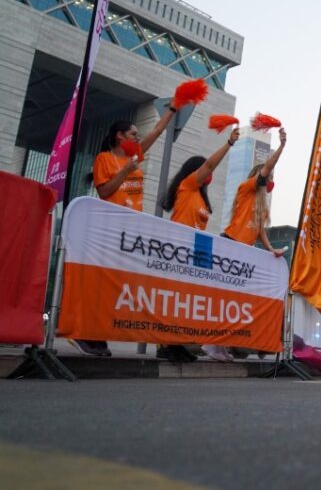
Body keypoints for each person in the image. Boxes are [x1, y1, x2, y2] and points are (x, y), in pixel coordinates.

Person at [72, 100, 184, 358]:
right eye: (133, 134)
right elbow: (104, 191)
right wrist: (125, 171)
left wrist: (174, 108)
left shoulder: (134, 155)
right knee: (102, 283)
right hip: (109, 228)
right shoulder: (105, 159)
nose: (138, 137)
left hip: (131, 230)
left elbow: (156, 132)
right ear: (119, 136)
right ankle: (84, 333)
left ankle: (97, 332)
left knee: (117, 284)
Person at [157, 127, 240, 363]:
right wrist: (229, 144)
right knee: (174, 297)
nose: (208, 174)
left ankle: (176, 341)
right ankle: (165, 344)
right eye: (204, 169)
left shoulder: (201, 196)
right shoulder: (187, 186)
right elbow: (210, 166)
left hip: (198, 252)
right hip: (180, 247)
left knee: (186, 300)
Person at [222, 127, 287, 257]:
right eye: (269, 177)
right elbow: (267, 168)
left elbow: (260, 230)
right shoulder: (247, 188)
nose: (271, 181)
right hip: (231, 241)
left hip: (246, 249)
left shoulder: (264, 207)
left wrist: (271, 249)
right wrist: (281, 146)